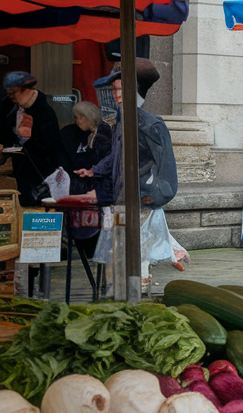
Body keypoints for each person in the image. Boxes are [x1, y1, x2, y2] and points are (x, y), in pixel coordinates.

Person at [77, 60, 185, 282]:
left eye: (120, 90)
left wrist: (151, 196)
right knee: (121, 251)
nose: (116, 95)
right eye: (114, 90)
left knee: (139, 250)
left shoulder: (151, 125)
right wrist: (95, 170)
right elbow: (116, 156)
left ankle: (142, 284)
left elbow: (167, 170)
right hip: (122, 196)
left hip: (140, 198)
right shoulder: (121, 122)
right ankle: (168, 258)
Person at [0, 72, 71, 206]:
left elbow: (51, 146)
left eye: (13, 93)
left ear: (26, 90)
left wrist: (28, 144)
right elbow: (6, 133)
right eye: (9, 94)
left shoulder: (46, 113)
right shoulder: (9, 109)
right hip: (21, 169)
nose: (11, 97)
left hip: (42, 170)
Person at [60, 101, 112, 257]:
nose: (78, 121)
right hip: (78, 184)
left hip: (98, 186)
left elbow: (107, 159)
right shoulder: (69, 133)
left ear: (90, 117)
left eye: (81, 117)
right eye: (75, 117)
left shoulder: (103, 134)